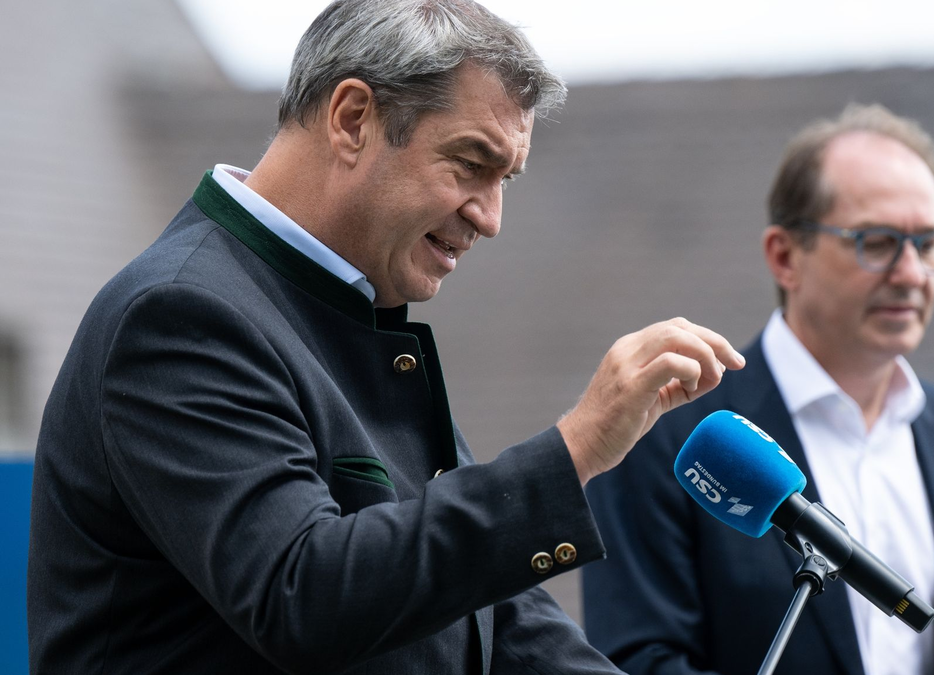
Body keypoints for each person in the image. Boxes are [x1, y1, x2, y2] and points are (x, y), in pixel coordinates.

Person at [25, 1, 744, 673]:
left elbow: (494, 619)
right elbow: (302, 594)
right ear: (352, 117)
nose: (491, 217)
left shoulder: (341, 311)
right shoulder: (179, 314)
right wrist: (577, 447)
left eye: (507, 178)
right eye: (470, 164)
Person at [582, 104, 934, 675]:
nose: (910, 273)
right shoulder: (675, 432)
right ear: (784, 256)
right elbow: (639, 660)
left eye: (926, 244)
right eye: (877, 242)